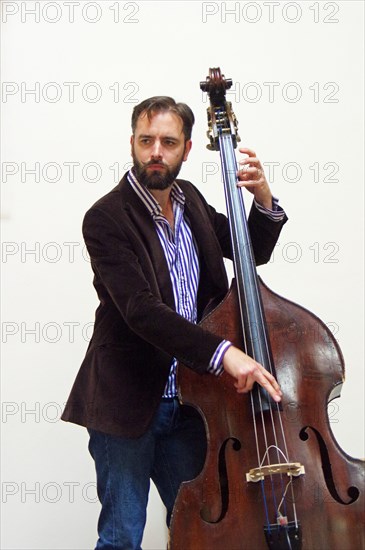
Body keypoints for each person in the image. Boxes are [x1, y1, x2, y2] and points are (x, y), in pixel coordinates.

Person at [61, 96, 287, 549]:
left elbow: (251, 253)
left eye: (167, 141)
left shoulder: (193, 203)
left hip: (191, 403)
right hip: (126, 403)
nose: (155, 152)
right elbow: (140, 309)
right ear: (131, 144)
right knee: (123, 535)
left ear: (186, 149)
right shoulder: (106, 218)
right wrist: (224, 354)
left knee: (202, 532)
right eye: (146, 141)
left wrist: (262, 197)